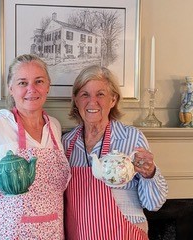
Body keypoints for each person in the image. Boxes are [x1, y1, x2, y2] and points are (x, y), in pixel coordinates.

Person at [0, 54, 71, 239]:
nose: (31, 89)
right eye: (22, 83)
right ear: (10, 88)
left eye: (38, 81)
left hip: (51, 233)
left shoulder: (54, 127)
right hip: (5, 233)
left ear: (48, 86)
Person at [62, 65, 168, 240]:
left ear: (113, 100)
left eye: (100, 94)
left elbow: (154, 204)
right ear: (76, 100)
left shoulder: (131, 138)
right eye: (85, 94)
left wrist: (150, 173)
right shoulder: (67, 143)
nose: (92, 101)